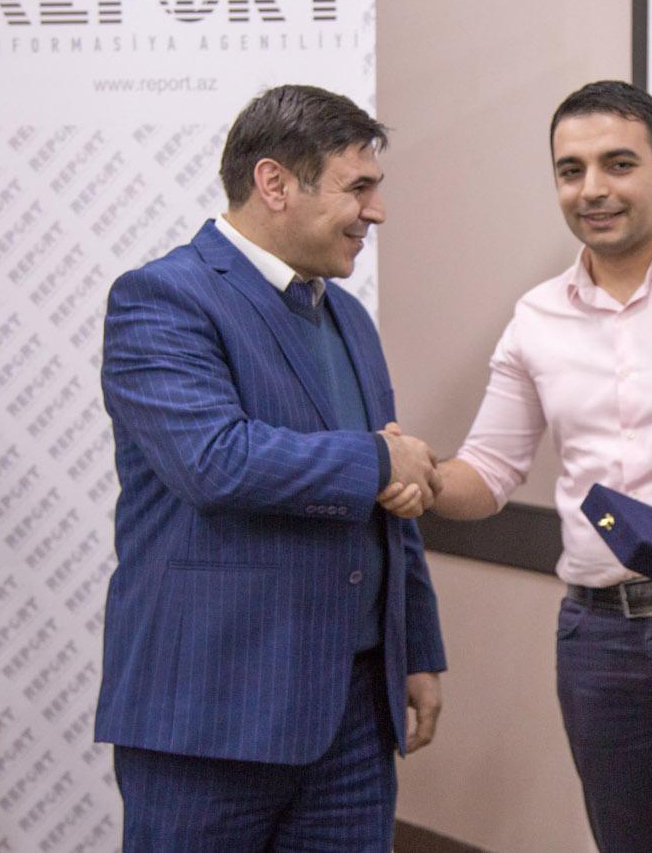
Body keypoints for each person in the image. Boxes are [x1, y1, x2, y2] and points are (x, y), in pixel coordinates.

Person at [403, 80, 652, 852]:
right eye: (571, 170)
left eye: (618, 164)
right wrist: (420, 475)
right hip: (599, 641)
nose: (592, 189)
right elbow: (488, 472)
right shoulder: (536, 318)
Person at [96, 84, 446, 850]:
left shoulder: (348, 316)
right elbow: (213, 461)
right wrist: (379, 456)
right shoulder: (162, 299)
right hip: (209, 720)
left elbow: (392, 501)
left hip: (353, 719)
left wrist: (416, 652)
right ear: (275, 183)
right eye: (359, 187)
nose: (377, 211)